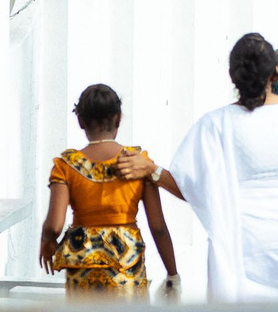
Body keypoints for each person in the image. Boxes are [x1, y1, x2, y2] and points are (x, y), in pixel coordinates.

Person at [159, 34, 278, 300]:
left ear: (233, 77)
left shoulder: (214, 124)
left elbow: (187, 185)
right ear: (276, 72)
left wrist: (153, 171)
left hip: (233, 245)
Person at [38, 83, 177, 297]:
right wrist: (172, 274)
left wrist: (47, 241)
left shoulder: (65, 166)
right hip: (126, 264)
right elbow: (157, 227)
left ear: (80, 121)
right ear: (118, 118)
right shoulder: (138, 162)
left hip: (82, 265)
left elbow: (55, 225)